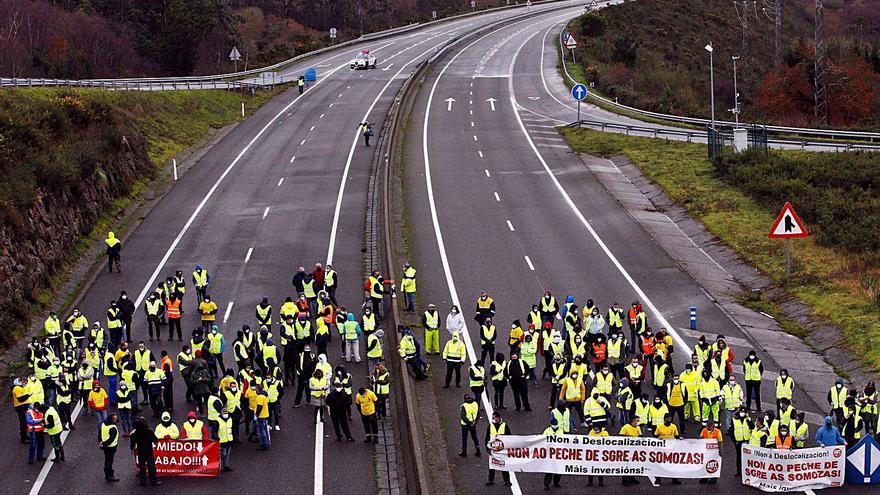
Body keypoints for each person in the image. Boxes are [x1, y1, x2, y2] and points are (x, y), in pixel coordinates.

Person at [130, 416, 162, 487]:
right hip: (148, 452)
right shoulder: (149, 431)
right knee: (151, 467)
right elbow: (155, 440)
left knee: (142, 467)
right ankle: (153, 481)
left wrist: (132, 448)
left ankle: (143, 481)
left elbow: (133, 442)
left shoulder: (136, 432)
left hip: (141, 452)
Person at [485, 411, 511, 486]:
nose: (493, 419)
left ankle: (507, 480)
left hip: (502, 449)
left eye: (494, 417)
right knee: (492, 465)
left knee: (504, 465)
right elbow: (487, 438)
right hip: (493, 450)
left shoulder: (505, 426)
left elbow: (510, 437)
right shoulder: (490, 426)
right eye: (493, 418)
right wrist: (488, 449)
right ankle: (490, 480)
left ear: (498, 417)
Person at [654, 414, 681, 485]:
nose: (669, 420)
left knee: (672, 464)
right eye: (667, 419)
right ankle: (658, 479)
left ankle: (674, 479)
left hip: (671, 448)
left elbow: (677, 436)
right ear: (664, 419)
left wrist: (680, 439)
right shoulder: (659, 427)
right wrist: (658, 439)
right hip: (662, 448)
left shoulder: (673, 426)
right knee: (660, 464)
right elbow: (655, 436)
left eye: (670, 419)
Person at [618, 415, 642, 486]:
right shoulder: (625, 427)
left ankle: (632, 478)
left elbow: (640, 436)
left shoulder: (638, 428)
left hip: (635, 449)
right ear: (632, 421)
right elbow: (621, 437)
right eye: (637, 421)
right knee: (626, 465)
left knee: (633, 464)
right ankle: (624, 480)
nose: (638, 422)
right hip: (627, 450)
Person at [543, 418, 564, 489]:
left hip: (558, 453)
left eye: (556, 424)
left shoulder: (560, 431)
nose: (555, 426)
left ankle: (556, 482)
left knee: (558, 468)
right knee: (549, 469)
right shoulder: (547, 431)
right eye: (554, 425)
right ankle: (547, 484)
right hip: (549, 453)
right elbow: (543, 440)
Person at [731, 408, 753, 475]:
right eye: (741, 412)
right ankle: (739, 471)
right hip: (738, 441)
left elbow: (753, 427)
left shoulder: (748, 419)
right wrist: (734, 441)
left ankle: (747, 470)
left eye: (744, 412)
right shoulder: (734, 420)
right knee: (739, 456)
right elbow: (731, 430)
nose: (742, 413)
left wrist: (749, 421)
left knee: (747, 456)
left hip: (747, 440)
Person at [100, 413, 120, 482]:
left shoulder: (103, 424)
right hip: (111, 447)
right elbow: (112, 439)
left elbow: (99, 433)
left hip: (105, 446)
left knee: (106, 460)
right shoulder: (113, 428)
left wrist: (101, 443)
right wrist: (104, 444)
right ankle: (110, 475)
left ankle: (106, 474)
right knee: (109, 461)